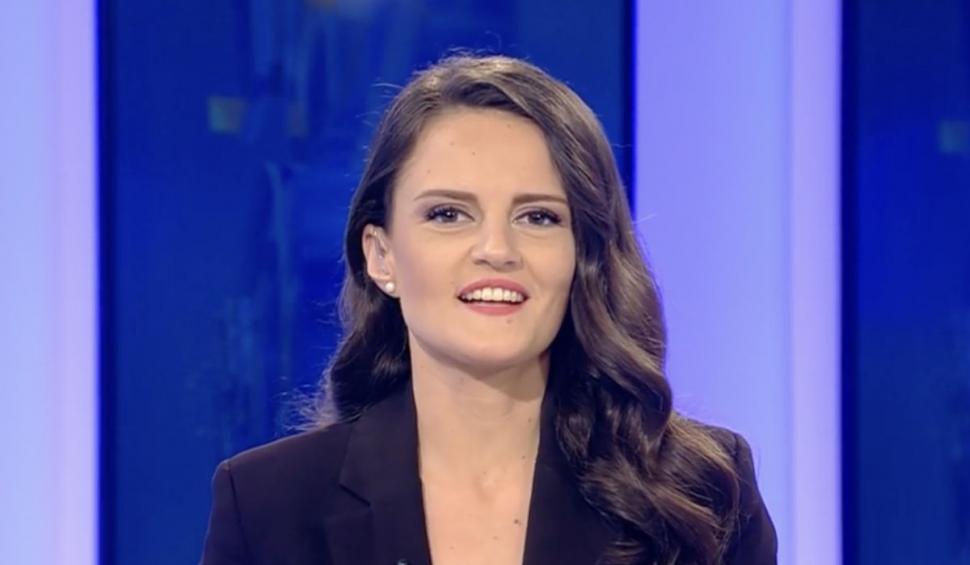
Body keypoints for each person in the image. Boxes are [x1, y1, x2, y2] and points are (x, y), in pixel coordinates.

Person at [199, 54, 777, 565]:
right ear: (381, 256)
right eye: (448, 214)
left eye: (538, 217)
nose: (497, 250)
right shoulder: (269, 506)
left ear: (584, 255)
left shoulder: (702, 492)